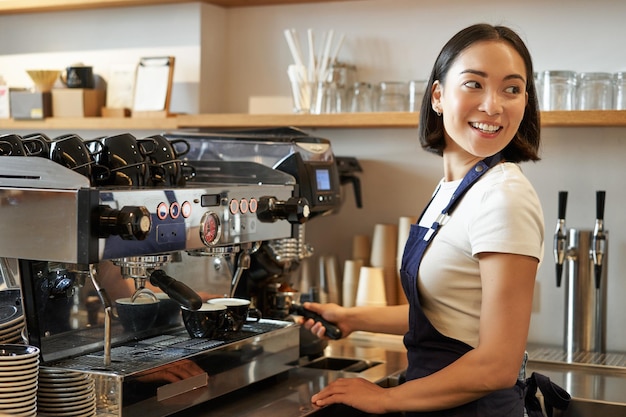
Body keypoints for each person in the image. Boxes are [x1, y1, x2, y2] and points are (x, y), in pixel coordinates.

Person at [301, 23, 570, 416]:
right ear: (439, 96)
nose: (493, 106)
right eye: (474, 84)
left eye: (511, 89)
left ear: (525, 102)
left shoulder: (504, 195)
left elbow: (497, 365)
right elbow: (449, 310)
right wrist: (352, 317)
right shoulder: (453, 188)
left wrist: (384, 398)